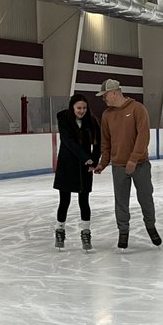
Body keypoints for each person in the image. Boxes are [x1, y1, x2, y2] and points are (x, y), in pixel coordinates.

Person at [94, 78, 161, 249]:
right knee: (121, 201)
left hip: (140, 165)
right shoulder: (106, 115)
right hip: (118, 166)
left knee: (145, 197)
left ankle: (150, 226)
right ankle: (123, 232)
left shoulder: (138, 109)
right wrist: (103, 163)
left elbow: (143, 136)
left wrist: (133, 159)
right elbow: (106, 142)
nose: (104, 99)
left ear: (114, 93)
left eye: (105, 95)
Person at [53, 93, 101, 251]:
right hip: (67, 165)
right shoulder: (64, 120)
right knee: (64, 201)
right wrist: (85, 158)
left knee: (84, 201)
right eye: (79, 108)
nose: (82, 111)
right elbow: (68, 142)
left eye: (84, 108)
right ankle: (60, 230)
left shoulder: (92, 121)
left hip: (84, 168)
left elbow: (98, 143)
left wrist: (93, 161)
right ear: (72, 107)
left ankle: (85, 232)